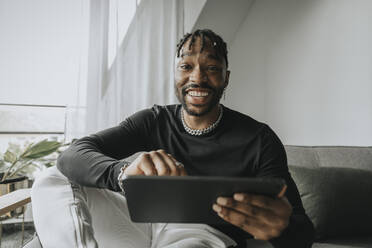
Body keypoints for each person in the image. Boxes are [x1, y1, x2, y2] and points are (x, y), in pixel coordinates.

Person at [31, 29, 314, 248]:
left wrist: (282, 226)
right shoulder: (153, 119)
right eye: (186, 66)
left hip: (203, 234)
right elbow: (73, 154)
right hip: (139, 224)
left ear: (226, 78)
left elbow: (302, 230)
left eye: (211, 68)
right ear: (176, 74)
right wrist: (122, 173)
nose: (198, 77)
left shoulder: (259, 138)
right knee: (51, 178)